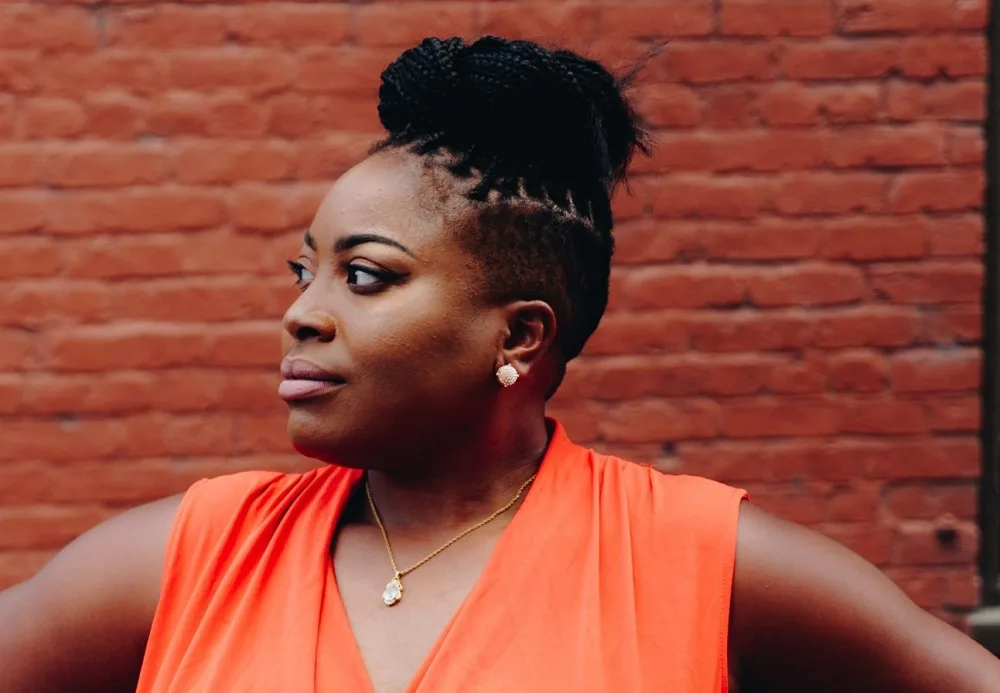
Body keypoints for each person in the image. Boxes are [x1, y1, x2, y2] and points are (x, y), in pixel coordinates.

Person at [1, 35, 998, 693]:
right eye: (304, 273)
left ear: (519, 336)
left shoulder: (704, 561)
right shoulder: (184, 559)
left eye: (366, 276)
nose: (302, 314)